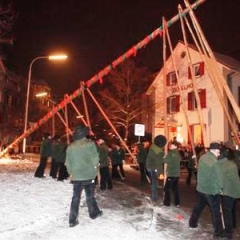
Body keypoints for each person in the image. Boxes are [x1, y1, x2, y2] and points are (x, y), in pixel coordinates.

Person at [66, 125, 102, 227]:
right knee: (90, 195)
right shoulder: (90, 144)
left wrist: (71, 172)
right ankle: (93, 213)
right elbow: (95, 159)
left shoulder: (70, 147)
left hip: (76, 176)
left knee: (75, 197)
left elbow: (68, 163)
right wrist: (95, 168)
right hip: (88, 175)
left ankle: (72, 220)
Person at [189, 142, 224, 239]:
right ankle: (219, 232)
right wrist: (221, 188)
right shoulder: (214, 162)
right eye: (218, 152)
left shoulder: (203, 158)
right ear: (214, 151)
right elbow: (219, 177)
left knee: (198, 206)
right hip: (211, 190)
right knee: (216, 211)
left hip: (201, 188)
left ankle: (192, 222)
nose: (219, 154)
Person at [218, 143, 240, 240]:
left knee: (227, 212)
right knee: (231, 210)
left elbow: (221, 180)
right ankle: (232, 226)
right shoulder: (231, 163)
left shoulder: (222, 165)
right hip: (234, 190)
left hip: (228, 191)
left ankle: (228, 233)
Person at [146, 135, 167, 203]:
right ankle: (154, 198)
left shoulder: (153, 146)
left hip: (149, 167)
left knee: (153, 182)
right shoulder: (159, 151)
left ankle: (153, 196)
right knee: (154, 183)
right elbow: (159, 163)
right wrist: (161, 173)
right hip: (153, 168)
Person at [163, 142, 181, 207]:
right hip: (177, 174)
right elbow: (179, 159)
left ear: (176, 146)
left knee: (166, 188)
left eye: (172, 145)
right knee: (175, 189)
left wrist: (164, 157)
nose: (170, 146)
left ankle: (167, 202)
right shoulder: (177, 153)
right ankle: (177, 203)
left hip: (171, 174)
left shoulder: (171, 153)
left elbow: (165, 161)